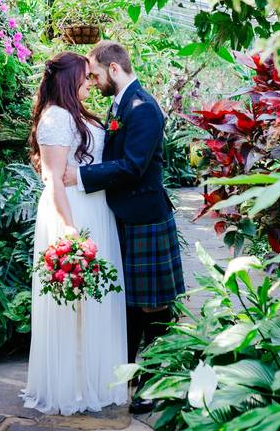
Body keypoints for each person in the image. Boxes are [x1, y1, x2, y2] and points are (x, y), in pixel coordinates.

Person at [63, 41, 186, 415]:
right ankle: (129, 376)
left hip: (145, 218)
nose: (95, 82)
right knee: (131, 306)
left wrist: (79, 176)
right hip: (124, 217)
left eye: (96, 75)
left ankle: (155, 382)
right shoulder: (121, 105)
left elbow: (133, 166)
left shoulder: (142, 108)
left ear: (113, 70)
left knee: (153, 308)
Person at [21, 51, 128, 416]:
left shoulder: (78, 114)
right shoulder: (55, 117)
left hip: (96, 209)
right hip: (72, 212)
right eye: (84, 77)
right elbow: (53, 178)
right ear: (68, 80)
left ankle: (94, 380)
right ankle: (73, 385)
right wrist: (69, 230)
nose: (88, 82)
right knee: (74, 303)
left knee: (95, 301)